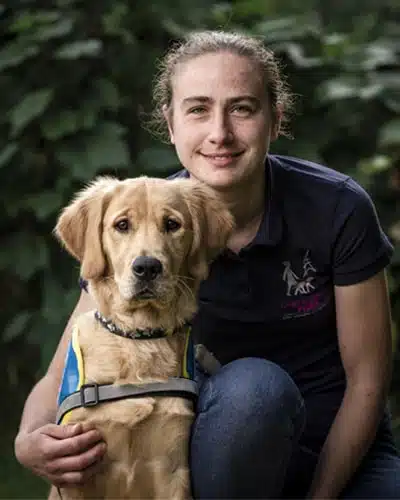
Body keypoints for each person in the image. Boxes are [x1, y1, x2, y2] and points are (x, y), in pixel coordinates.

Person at [15, 30, 400, 499]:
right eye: (197, 109)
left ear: (275, 119)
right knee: (256, 388)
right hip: (221, 445)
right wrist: (28, 440)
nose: (220, 133)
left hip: (336, 448)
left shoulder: (337, 207)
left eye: (242, 108)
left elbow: (367, 382)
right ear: (171, 124)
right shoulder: (136, 224)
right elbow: (67, 363)